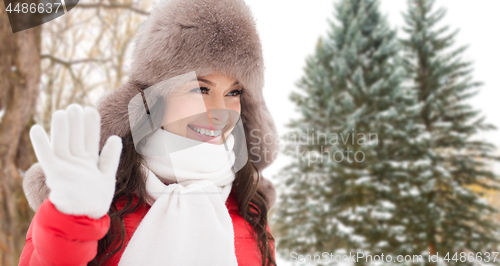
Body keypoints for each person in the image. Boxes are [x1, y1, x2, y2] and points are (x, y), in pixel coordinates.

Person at [18, 0, 280, 265]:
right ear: (154, 97)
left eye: (233, 93)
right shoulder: (93, 195)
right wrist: (70, 224)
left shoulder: (250, 208)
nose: (220, 111)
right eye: (201, 89)